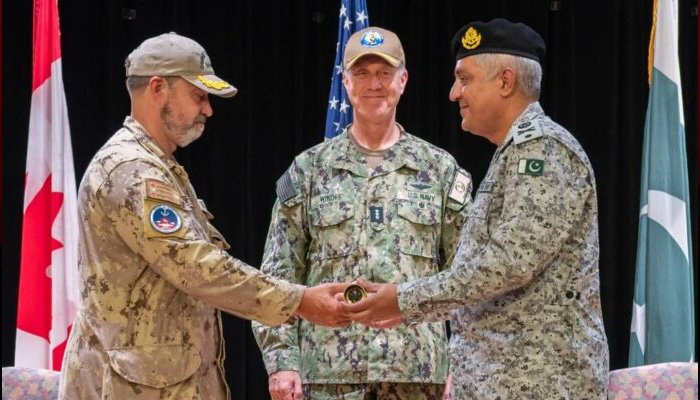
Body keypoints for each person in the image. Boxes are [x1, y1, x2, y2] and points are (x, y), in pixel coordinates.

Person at [58, 32, 350, 400]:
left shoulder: (158, 167)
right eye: (198, 96)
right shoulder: (132, 170)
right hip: (128, 388)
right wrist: (298, 301)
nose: (208, 109)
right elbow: (197, 267)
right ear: (158, 88)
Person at [343, 19, 610, 399]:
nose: (454, 93)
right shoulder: (513, 155)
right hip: (503, 382)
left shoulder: (544, 151)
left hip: (539, 385)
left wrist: (404, 299)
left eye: (464, 79)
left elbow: (506, 264)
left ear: (504, 82)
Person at [252, 27, 472, 400]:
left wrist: (463, 362)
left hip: (418, 375)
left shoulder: (439, 170)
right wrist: (282, 360)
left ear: (403, 80)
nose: (375, 84)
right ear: (346, 82)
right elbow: (278, 274)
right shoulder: (309, 170)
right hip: (328, 374)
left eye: (385, 73)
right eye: (362, 73)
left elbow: (468, 277)